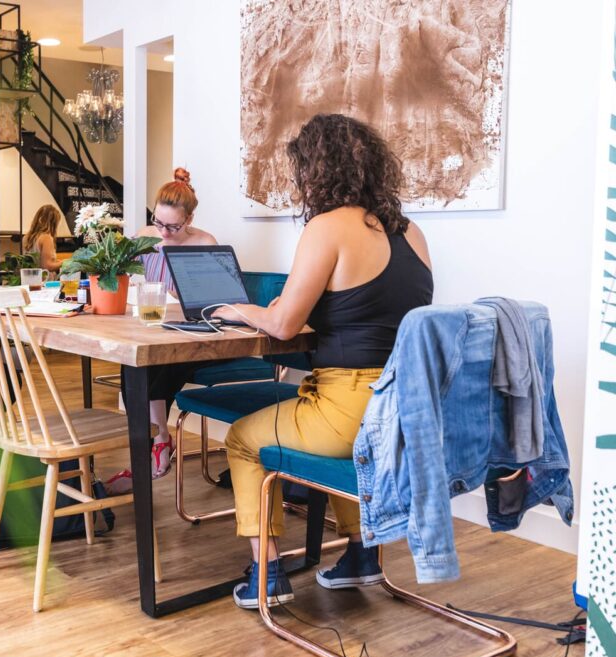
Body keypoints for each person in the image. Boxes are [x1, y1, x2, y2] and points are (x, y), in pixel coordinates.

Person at [212, 114, 434, 609]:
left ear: (317, 169)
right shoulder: (410, 232)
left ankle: (267, 572)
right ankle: (362, 556)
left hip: (348, 409)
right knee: (331, 444)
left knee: (244, 439)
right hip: (400, 407)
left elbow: (286, 324)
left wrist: (243, 310)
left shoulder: (327, 226)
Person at [114, 168, 218, 484]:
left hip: (197, 337)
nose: (164, 232)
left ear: (189, 219)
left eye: (173, 226)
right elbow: (120, 273)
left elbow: (215, 304)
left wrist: (182, 291)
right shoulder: (146, 237)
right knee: (131, 367)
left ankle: (157, 442)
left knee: (152, 371)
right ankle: (157, 441)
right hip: (158, 329)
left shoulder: (205, 243)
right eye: (159, 222)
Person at [23, 204, 65, 273]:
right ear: (53, 223)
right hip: (45, 281)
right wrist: (64, 262)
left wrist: (57, 261)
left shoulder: (26, 237)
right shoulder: (46, 238)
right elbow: (47, 266)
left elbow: (39, 260)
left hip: (31, 278)